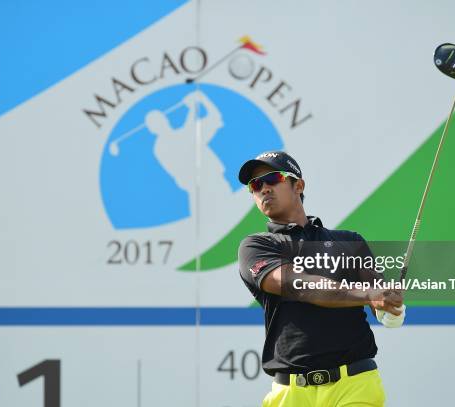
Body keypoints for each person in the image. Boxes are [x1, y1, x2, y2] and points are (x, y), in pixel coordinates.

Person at [237, 151, 405, 407]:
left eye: (272, 179)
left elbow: (380, 304)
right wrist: (369, 295)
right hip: (290, 393)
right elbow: (298, 285)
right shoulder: (257, 246)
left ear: (299, 185)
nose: (264, 189)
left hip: (355, 386)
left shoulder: (350, 242)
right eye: (255, 185)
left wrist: (392, 308)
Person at [146, 90, 230, 218]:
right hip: (201, 191)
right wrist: (197, 104)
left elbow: (215, 116)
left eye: (161, 118)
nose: (162, 122)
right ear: (152, 129)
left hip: (216, 181)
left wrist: (201, 102)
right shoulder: (161, 147)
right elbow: (186, 135)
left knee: (230, 215)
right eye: (156, 122)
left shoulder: (180, 135)